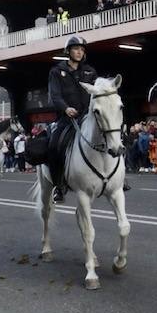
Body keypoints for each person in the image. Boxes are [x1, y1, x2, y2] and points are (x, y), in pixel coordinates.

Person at [47, 35, 98, 201]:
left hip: (87, 118)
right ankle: (58, 186)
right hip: (66, 119)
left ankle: (117, 179)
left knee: (110, 137)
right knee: (54, 146)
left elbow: (97, 92)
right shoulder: (56, 71)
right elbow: (55, 95)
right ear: (68, 51)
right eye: (76, 49)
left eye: (82, 50)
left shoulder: (90, 71)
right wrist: (65, 108)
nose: (79, 52)